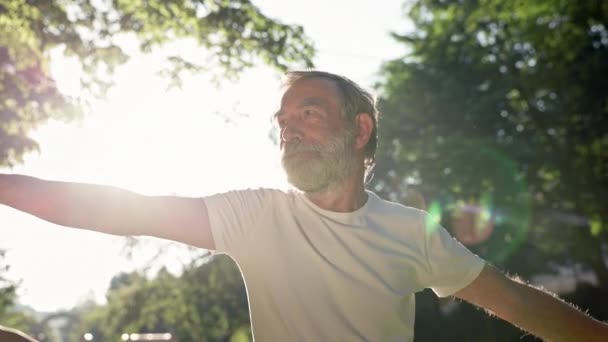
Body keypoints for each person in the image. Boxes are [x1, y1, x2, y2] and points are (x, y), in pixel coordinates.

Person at [0, 70, 607, 341]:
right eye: (282, 122)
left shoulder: (411, 233)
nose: (288, 130)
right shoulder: (256, 214)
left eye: (307, 114)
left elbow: (521, 303)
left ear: (360, 130)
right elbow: (112, 208)